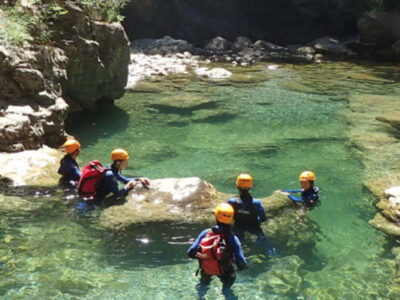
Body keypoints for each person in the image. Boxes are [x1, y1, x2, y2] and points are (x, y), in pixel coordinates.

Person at [187, 203, 247, 297]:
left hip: (206, 269)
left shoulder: (205, 233)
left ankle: (201, 296)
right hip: (225, 271)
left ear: (216, 216)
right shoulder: (232, 238)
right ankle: (227, 294)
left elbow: (190, 253)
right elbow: (241, 262)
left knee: (203, 286)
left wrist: (206, 256)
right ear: (231, 219)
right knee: (227, 289)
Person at [76, 148, 150, 212]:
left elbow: (124, 179)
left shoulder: (110, 168)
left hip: (90, 199)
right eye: (125, 161)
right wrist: (128, 187)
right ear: (118, 162)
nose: (127, 163)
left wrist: (139, 178)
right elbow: (117, 194)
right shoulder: (110, 175)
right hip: (92, 203)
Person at [227, 173, 267, 244]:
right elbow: (263, 218)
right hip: (254, 225)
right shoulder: (257, 203)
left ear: (237, 185)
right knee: (262, 239)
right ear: (251, 186)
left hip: (238, 225)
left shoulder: (231, 201)